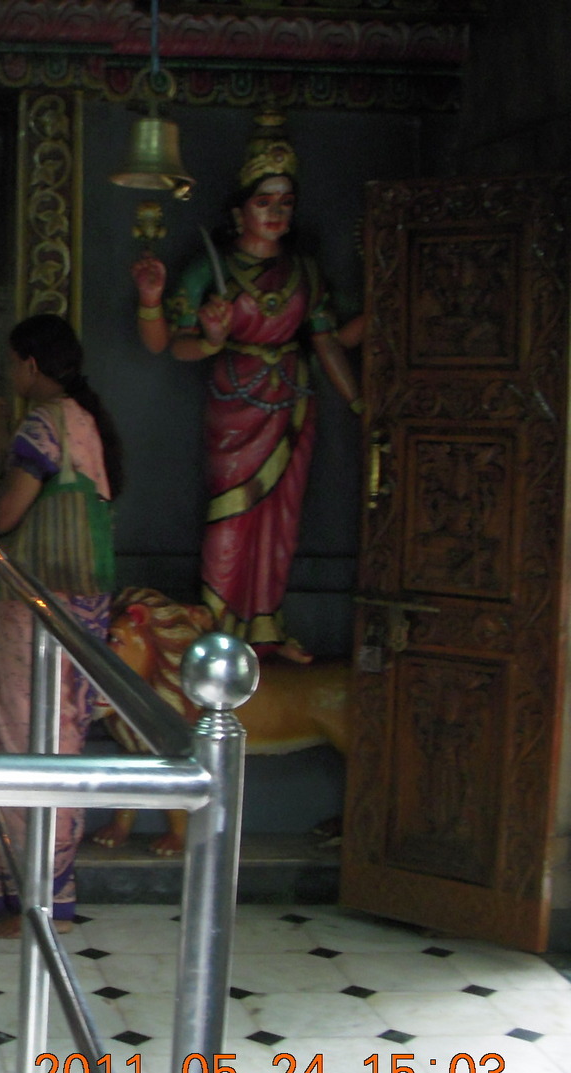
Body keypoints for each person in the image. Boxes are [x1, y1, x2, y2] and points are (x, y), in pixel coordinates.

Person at [131, 109, 358, 664]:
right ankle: (216, 623)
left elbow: (328, 340)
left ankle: (265, 624)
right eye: (264, 202)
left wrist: (358, 399)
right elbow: (166, 344)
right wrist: (160, 305)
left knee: (282, 518)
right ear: (239, 211)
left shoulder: (304, 271)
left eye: (285, 202)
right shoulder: (211, 270)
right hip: (236, 401)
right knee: (231, 515)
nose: (275, 212)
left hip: (294, 400)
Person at [0, 314, 123, 937]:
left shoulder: (42, 425)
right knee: (61, 742)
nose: (12, 374)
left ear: (31, 365)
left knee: (24, 742)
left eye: (15, 363)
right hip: (84, 608)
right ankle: (51, 894)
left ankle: (32, 900)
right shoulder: (87, 421)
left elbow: (5, 516)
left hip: (38, 610)